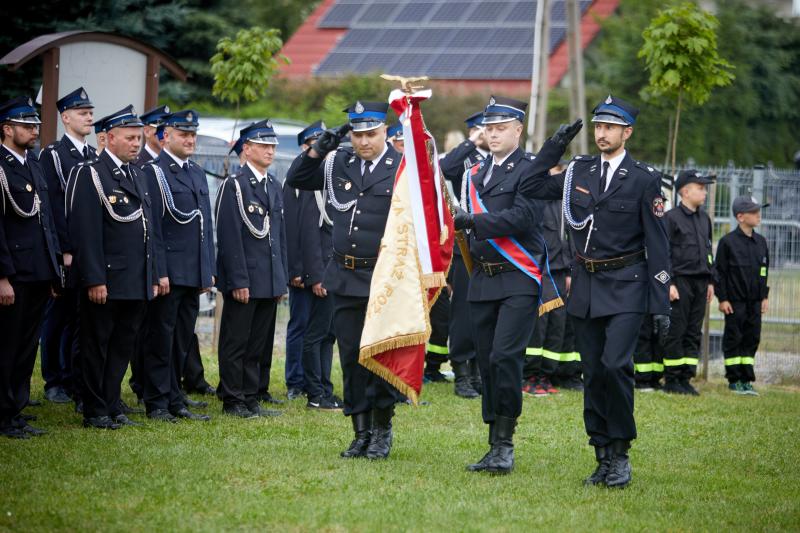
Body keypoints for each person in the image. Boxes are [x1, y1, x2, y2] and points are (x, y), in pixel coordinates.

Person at [529, 95, 671, 488]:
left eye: (610, 127)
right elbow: (532, 185)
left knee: (614, 365)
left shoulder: (643, 178)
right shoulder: (579, 170)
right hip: (587, 287)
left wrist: (660, 303)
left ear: (628, 132)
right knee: (592, 372)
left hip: (627, 286)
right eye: (598, 126)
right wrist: (555, 145)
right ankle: (602, 452)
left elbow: (658, 244)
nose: (602, 133)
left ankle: (621, 452)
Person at [452, 96, 576, 474]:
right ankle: (494, 440)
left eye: (501, 128)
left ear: (518, 130)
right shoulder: (474, 172)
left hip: (517, 277)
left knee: (505, 357)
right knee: (487, 362)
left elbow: (523, 217)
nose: (492, 134)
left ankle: (505, 444)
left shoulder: (530, 169)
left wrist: (472, 222)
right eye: (488, 128)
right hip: (482, 278)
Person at [286, 101, 404, 460]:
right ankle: (360, 431)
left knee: (379, 357)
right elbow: (297, 179)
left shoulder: (401, 167)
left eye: (371, 134)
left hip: (383, 277)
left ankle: (381, 430)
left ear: (385, 132)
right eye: (357, 134)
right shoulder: (339, 162)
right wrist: (318, 149)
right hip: (345, 275)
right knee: (351, 357)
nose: (364, 141)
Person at [67, 105, 158, 429]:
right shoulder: (91, 173)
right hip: (106, 278)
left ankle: (110, 403)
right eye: (130, 138)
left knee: (122, 346)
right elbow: (86, 232)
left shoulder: (138, 174)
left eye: (138, 138)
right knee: (97, 346)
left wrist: (153, 274)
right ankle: (94, 409)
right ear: (109, 138)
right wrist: (94, 278)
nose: (136, 144)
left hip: (135, 279)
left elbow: (148, 230)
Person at [141, 110, 214, 422]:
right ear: (165, 136)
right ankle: (157, 401)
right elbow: (153, 228)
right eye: (183, 134)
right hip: (169, 271)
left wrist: (207, 270)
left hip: (192, 271)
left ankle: (175, 398)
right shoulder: (153, 172)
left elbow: (205, 226)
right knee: (161, 339)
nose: (190, 139)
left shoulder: (195, 172)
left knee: (182, 339)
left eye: (193, 134)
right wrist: (159, 271)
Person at [215, 119, 287, 418]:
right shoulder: (235, 185)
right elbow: (229, 237)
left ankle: (250, 395)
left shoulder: (273, 185)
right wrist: (238, 280)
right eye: (263, 145)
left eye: (272, 146)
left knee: (258, 343)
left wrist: (280, 279)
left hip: (268, 278)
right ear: (247, 148)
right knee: (237, 341)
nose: (270, 151)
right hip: (246, 277)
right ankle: (233, 398)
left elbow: (279, 237)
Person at [0, 97, 61, 438]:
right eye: (26, 126)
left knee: (26, 347)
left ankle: (16, 410)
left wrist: (52, 269)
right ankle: (3, 414)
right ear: (7, 129)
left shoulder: (33, 164)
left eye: (35, 125)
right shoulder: (1, 166)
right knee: (7, 347)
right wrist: (2, 277)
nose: (34, 130)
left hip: (38, 270)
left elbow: (46, 221)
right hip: (14, 273)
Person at [38, 87, 97, 405]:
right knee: (58, 317)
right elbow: (53, 207)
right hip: (68, 253)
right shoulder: (54, 155)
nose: (89, 117)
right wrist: (65, 251)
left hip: (88, 252)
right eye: (82, 112)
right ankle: (54, 379)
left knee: (80, 318)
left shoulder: (93, 156)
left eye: (90, 112)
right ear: (65, 118)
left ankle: (74, 378)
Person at [289, 121, 342, 411]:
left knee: (329, 335)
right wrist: (317, 275)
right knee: (314, 334)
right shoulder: (313, 187)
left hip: (335, 271)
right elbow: (309, 234)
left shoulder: (332, 185)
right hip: (322, 271)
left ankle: (325, 389)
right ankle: (314, 392)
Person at [438, 110, 489, 399]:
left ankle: (479, 371)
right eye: (487, 129)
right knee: (463, 313)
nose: (492, 134)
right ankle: (462, 373)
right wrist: (471, 142)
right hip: (466, 246)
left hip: (493, 244)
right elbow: (444, 168)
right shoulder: (467, 158)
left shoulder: (499, 159)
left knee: (486, 312)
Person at [282, 124, 327, 403]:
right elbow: (292, 227)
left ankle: (315, 380)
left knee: (320, 329)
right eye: (315, 143)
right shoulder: (297, 178)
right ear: (304, 147)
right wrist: (295, 269)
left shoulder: (328, 176)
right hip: (302, 268)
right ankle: (295, 380)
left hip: (322, 265)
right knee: (299, 324)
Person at [661, 169, 716, 395]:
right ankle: (672, 379)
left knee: (694, 331)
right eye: (700, 188)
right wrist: (669, 283)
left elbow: (708, 252)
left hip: (700, 282)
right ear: (685, 191)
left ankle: (686, 377)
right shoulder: (671, 218)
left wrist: (711, 281)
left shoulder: (704, 219)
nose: (705, 192)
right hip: (680, 282)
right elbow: (664, 254)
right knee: (678, 329)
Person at [714, 196, 770, 396]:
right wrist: (723, 299)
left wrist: (764, 296)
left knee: (751, 338)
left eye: (758, 211)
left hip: (755, 302)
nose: (758, 215)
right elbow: (719, 273)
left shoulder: (761, 242)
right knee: (734, 338)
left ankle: (746, 379)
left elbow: (764, 271)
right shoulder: (727, 242)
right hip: (734, 302)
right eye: (753, 212)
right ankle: (734, 379)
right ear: (740, 217)